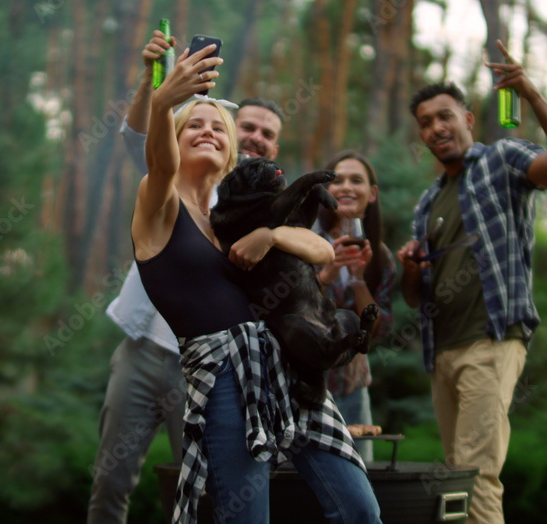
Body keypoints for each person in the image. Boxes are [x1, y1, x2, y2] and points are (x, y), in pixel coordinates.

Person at [133, 39, 381, 524]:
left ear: (231, 150)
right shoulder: (158, 205)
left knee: (360, 510)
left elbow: (322, 251)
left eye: (217, 128)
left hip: (285, 367)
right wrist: (162, 98)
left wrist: (270, 233)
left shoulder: (232, 222)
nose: (207, 131)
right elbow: (159, 163)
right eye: (194, 125)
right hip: (225, 377)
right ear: (175, 137)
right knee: (248, 517)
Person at [87, 32, 287, 524]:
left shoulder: (249, 210)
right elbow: (141, 139)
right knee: (110, 481)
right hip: (140, 349)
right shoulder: (170, 180)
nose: (257, 136)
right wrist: (154, 81)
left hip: (201, 367)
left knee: (196, 486)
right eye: (249, 126)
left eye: (268, 133)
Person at [397, 41, 547, 524]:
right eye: (425, 123)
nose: (436, 128)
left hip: (492, 340)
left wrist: (531, 95)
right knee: (455, 478)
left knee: (475, 473)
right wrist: (409, 269)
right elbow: (413, 296)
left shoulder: (501, 161)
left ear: (466, 117)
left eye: (445, 116)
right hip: (442, 352)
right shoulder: (428, 202)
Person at [313, 151, 395, 462]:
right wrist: (328, 273)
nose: (346, 186)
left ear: (372, 193)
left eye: (356, 180)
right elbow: (290, 312)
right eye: (337, 180)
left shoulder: (381, 257)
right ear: (326, 191)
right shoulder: (304, 240)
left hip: (351, 387)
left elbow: (376, 331)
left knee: (359, 475)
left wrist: (359, 278)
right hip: (303, 384)